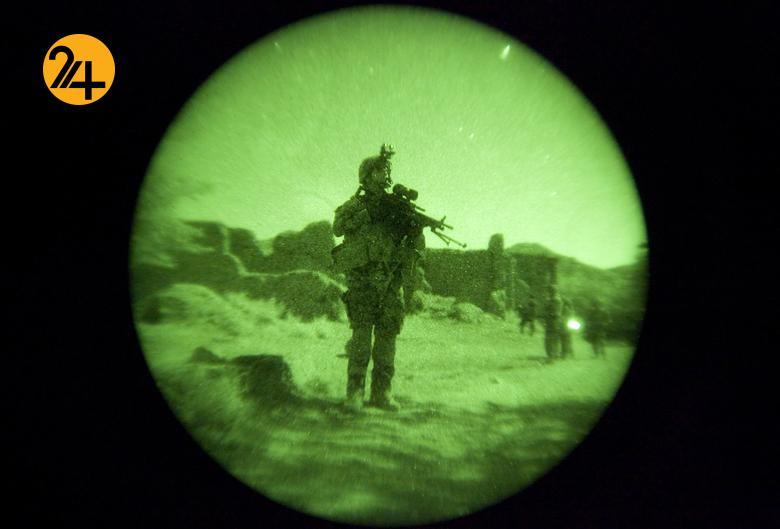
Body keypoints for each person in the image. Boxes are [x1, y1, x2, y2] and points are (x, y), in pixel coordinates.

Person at [332, 144, 424, 411]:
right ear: (368, 174)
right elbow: (337, 228)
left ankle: (382, 393)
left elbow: (414, 246)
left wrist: (413, 229)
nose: (385, 174)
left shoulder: (397, 206)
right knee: (361, 338)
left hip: (390, 282)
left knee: (387, 339)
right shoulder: (355, 204)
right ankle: (354, 393)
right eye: (380, 170)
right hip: (362, 281)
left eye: (386, 170)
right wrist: (366, 214)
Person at [541, 285, 563, 359]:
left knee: (553, 339)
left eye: (549, 291)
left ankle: (553, 355)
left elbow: (556, 312)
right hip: (550, 322)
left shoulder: (556, 300)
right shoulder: (550, 300)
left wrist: (546, 313)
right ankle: (552, 354)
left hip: (554, 321)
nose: (548, 293)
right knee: (549, 339)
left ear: (553, 292)